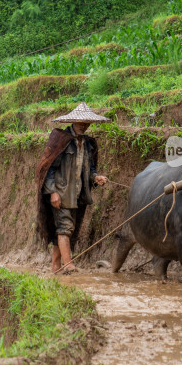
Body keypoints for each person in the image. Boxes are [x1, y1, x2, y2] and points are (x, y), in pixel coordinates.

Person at [36, 102, 109, 274]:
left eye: (86, 122)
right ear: (73, 121)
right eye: (80, 121)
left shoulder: (89, 144)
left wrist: (95, 177)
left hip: (77, 194)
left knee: (63, 229)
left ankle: (55, 267)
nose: (83, 124)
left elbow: (89, 169)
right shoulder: (60, 141)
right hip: (61, 193)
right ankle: (69, 266)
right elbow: (48, 169)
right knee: (65, 228)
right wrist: (53, 192)